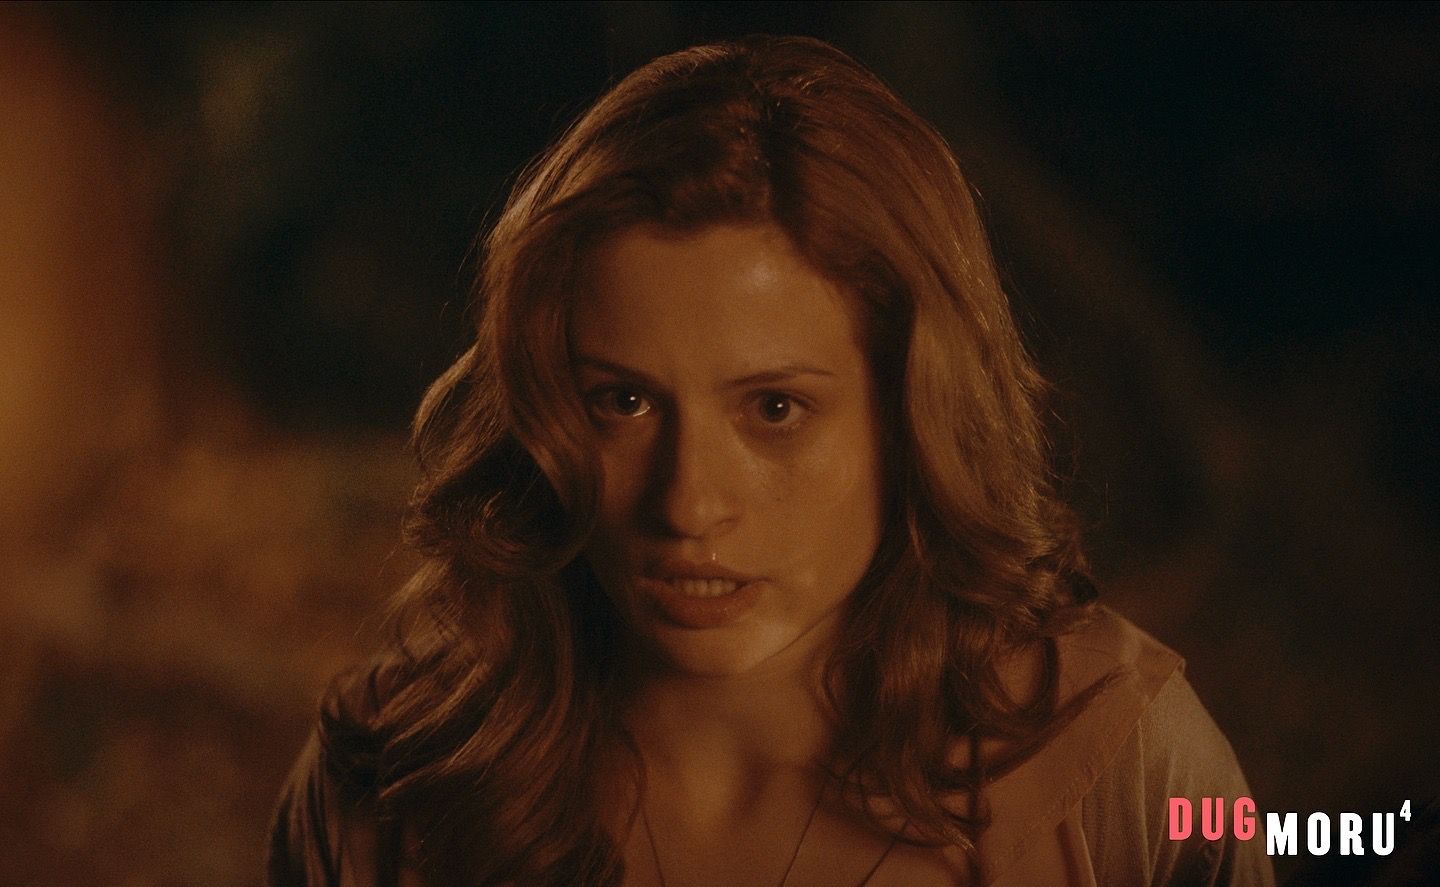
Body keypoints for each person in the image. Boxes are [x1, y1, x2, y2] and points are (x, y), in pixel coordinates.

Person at [268, 36, 1274, 886]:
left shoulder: (1122, 768)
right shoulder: (394, 774)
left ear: (910, 413)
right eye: (622, 401)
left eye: (775, 409)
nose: (688, 502)